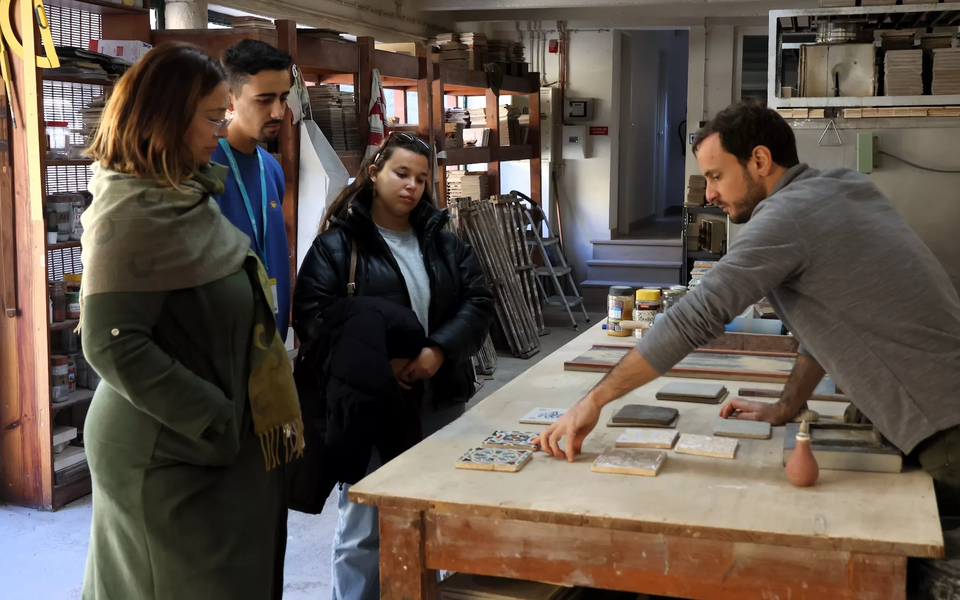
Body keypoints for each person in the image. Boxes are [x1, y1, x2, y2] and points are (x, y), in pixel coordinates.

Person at [538, 101, 960, 512]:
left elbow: (695, 317)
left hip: (944, 429)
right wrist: (786, 406)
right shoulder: (845, 186)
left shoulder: (786, 216)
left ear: (759, 160)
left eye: (717, 175)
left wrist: (592, 401)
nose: (710, 193)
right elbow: (832, 327)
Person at [80, 42, 303, 600]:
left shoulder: (186, 195)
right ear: (165, 119)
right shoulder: (130, 211)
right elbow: (112, 344)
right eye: (211, 116)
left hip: (208, 440)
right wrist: (215, 419)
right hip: (171, 447)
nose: (221, 127)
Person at [292, 132, 495, 600]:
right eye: (401, 173)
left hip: (438, 396)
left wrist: (437, 352)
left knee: (436, 516)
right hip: (369, 403)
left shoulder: (445, 244)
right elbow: (313, 319)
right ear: (374, 172)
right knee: (366, 524)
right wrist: (380, 362)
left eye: (422, 179)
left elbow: (478, 301)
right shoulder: (337, 247)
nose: (412, 186)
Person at [212, 39, 293, 341]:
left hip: (272, 344)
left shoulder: (271, 167)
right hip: (224, 350)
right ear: (230, 98)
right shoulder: (204, 169)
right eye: (264, 99)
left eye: (283, 98)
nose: (278, 112)